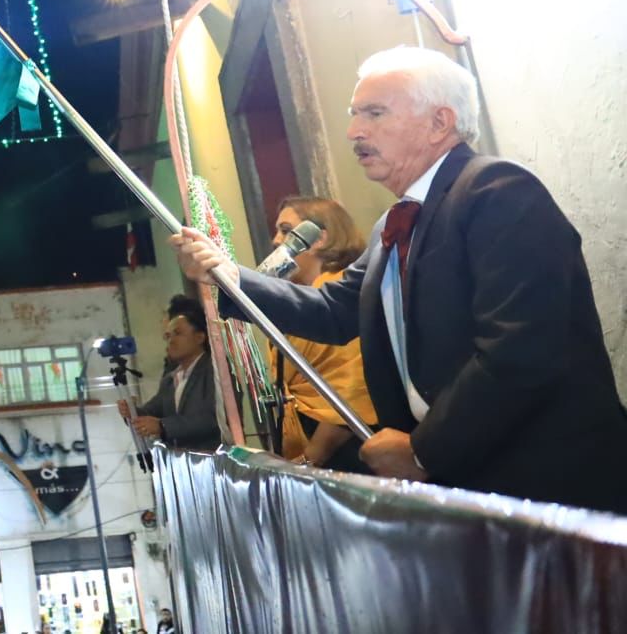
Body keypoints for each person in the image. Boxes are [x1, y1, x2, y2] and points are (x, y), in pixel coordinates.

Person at [171, 46, 627, 511]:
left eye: (374, 113)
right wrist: (228, 277)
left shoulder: (497, 191)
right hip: (467, 482)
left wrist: (422, 450)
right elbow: (334, 310)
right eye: (354, 115)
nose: (353, 131)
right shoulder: (396, 222)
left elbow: (520, 349)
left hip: (549, 482)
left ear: (439, 122)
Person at [269, 195, 377, 472]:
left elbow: (352, 390)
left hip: (349, 450)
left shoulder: (340, 295)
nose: (276, 241)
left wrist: (310, 459)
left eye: (285, 230)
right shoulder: (303, 297)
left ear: (319, 239)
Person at [118, 295, 220, 451]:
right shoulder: (170, 380)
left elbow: (214, 420)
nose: (171, 341)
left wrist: (162, 426)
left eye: (178, 333)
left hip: (213, 460)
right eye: (168, 336)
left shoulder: (214, 371)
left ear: (200, 337)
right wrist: (132, 411)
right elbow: (153, 411)